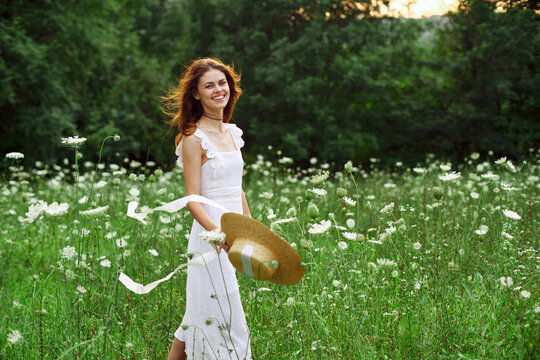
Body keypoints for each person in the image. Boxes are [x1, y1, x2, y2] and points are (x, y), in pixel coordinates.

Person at [163, 58, 252, 360]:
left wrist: (250, 230)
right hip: (209, 238)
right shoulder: (193, 139)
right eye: (209, 85)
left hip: (233, 234)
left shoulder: (233, 133)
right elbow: (193, 199)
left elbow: (236, 187)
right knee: (220, 313)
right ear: (196, 94)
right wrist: (218, 236)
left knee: (198, 315)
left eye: (222, 83)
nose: (218, 89)